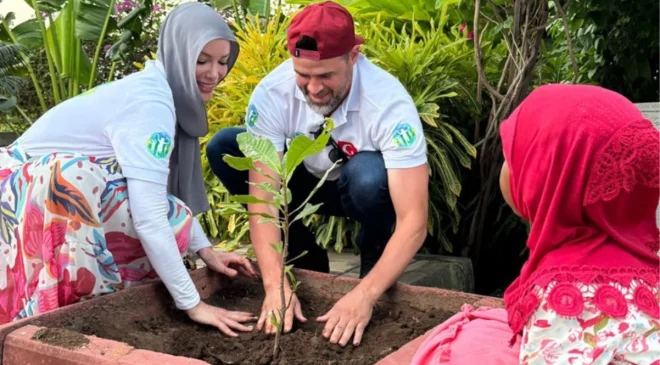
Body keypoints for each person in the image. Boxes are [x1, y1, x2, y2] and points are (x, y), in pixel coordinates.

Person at [0, 2, 259, 337]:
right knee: (89, 182)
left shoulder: (162, 90)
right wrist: (193, 303)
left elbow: (165, 196)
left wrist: (206, 251)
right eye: (201, 60)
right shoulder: (150, 105)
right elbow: (151, 214)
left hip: (30, 190)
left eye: (223, 61)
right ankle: (68, 315)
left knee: (160, 205)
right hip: (19, 191)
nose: (215, 73)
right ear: (178, 55)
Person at [206, 1, 429, 347]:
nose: (313, 89)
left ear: (353, 56)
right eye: (303, 75)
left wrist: (365, 294)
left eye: (326, 76)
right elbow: (264, 201)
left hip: (361, 190)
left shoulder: (389, 105)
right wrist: (274, 284)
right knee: (226, 145)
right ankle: (307, 257)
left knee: (369, 176)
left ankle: (374, 275)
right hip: (305, 185)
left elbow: (413, 219)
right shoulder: (271, 93)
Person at [411, 84, 660, 365]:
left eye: (514, 157)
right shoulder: (646, 262)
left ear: (551, 179)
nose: (505, 168)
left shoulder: (565, 296)